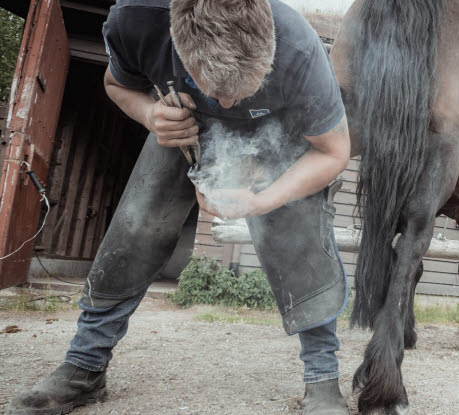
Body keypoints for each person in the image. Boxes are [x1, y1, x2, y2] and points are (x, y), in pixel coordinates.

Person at [6, 0, 350, 414]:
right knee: (138, 224)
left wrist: (261, 200)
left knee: (301, 232)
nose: (226, 105)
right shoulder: (137, 20)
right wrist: (151, 114)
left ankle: (322, 380)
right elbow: (116, 86)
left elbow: (333, 152)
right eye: (216, 91)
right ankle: (84, 367)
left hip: (278, 138)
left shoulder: (300, 50)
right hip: (182, 127)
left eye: (241, 90)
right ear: (180, 46)